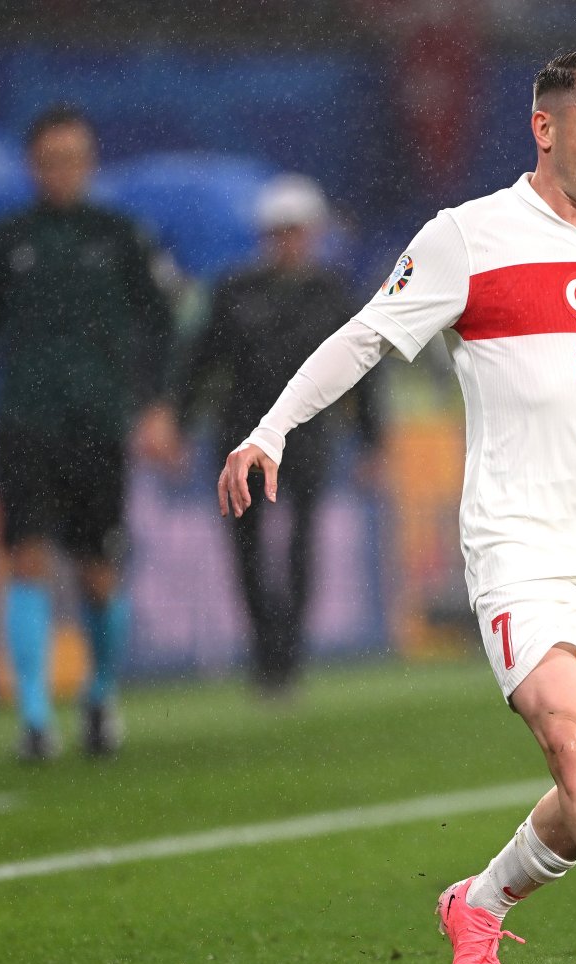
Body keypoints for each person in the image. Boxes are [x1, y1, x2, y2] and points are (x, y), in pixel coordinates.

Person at [218, 48, 576, 964]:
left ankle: (479, 901)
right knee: (572, 745)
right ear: (544, 127)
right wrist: (272, 429)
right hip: (520, 546)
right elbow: (366, 336)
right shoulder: (468, 237)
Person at [0, 105, 173, 762]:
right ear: (33, 166)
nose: (62, 171)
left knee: (99, 574)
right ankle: (36, 718)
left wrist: (155, 404)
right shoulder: (8, 239)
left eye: (73, 158)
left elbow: (160, 322)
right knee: (27, 559)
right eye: (50, 160)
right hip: (25, 423)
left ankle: (99, 695)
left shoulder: (121, 235)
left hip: (99, 424)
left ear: (90, 163)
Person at [147, 175, 383, 698]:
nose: (288, 242)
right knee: (247, 546)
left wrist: (371, 440)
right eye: (279, 232)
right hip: (244, 433)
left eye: (296, 231)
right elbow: (199, 362)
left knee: (302, 543)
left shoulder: (332, 293)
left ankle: (289, 651)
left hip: (308, 434)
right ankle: (265, 653)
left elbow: (365, 368)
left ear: (313, 233)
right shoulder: (235, 291)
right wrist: (178, 425)